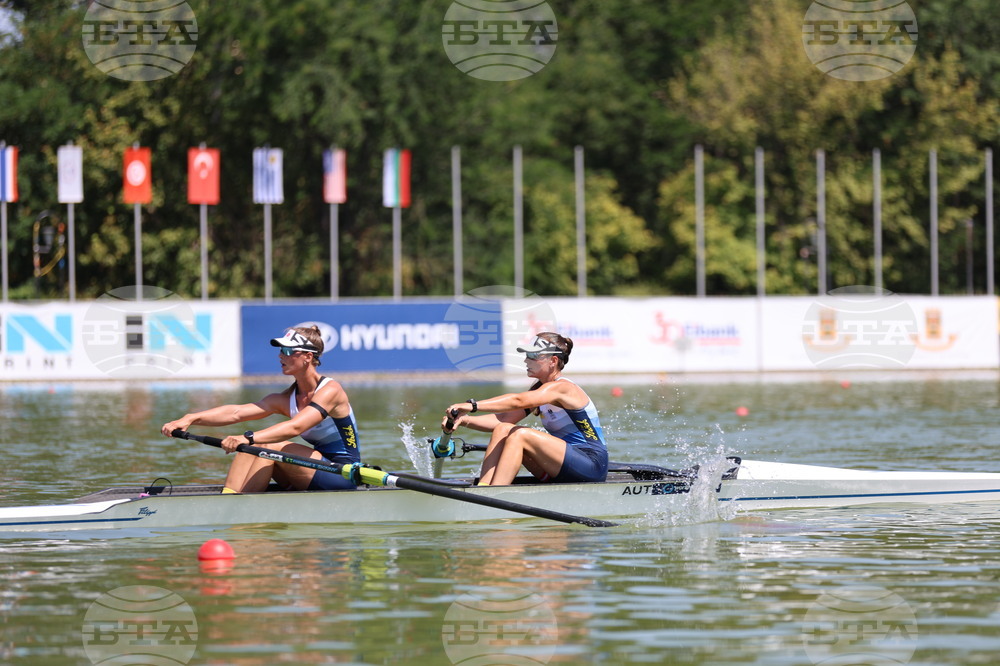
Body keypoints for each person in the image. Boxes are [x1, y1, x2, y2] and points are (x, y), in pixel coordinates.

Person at [161, 326, 361, 493]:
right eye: (281, 350)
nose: (281, 355)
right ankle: (228, 498)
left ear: (308, 357)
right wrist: (190, 418)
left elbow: (295, 428)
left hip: (342, 473)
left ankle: (239, 510)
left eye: (289, 351)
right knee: (248, 449)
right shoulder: (285, 398)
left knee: (264, 445)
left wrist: (248, 437)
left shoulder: (331, 391)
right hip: (314, 469)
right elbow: (236, 413)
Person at [443, 332, 608, 486]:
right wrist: (463, 420)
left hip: (591, 465)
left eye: (533, 356)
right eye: (527, 355)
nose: (526, 361)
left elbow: (518, 400)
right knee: (503, 429)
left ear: (553, 361)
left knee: (520, 434)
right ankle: (484, 487)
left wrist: (472, 406)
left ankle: (495, 495)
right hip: (560, 465)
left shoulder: (563, 388)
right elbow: (502, 419)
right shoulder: (540, 391)